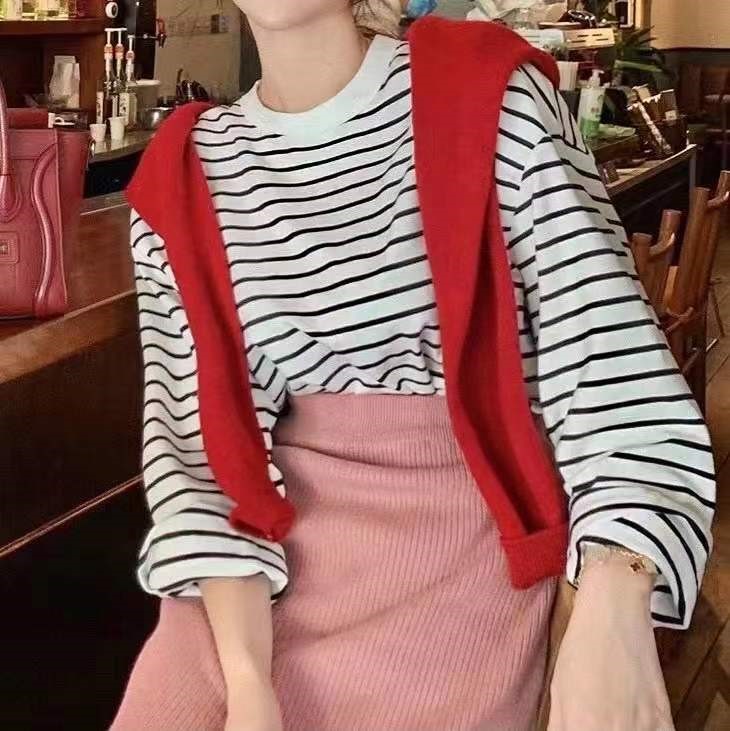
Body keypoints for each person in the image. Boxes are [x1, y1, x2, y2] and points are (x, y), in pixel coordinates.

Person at [111, 2, 715, 730]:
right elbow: (200, 461)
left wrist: (615, 599)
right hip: (248, 583)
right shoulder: (181, 172)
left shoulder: (490, 95)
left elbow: (613, 373)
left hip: (472, 557)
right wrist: (248, 685)